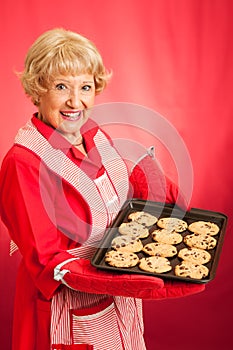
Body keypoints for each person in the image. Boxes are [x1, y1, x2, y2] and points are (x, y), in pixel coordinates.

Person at [0, 28, 205, 350]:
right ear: (37, 89)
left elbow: (126, 200)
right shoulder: (24, 162)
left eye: (85, 87)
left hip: (117, 299)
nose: (75, 101)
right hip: (68, 308)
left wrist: (144, 177)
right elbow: (47, 261)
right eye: (61, 87)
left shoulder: (93, 134)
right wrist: (122, 275)